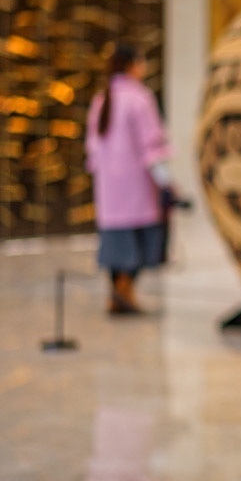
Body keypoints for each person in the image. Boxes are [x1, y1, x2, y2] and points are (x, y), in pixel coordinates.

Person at [85, 44, 174, 315]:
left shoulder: (102, 99)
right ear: (134, 65)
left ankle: (119, 295)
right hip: (136, 189)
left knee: (116, 243)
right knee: (138, 243)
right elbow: (151, 146)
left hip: (110, 191)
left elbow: (93, 148)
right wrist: (165, 180)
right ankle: (123, 294)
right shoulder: (139, 98)